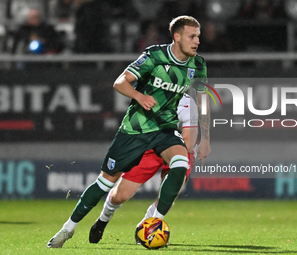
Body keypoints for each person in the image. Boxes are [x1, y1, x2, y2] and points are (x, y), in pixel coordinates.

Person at [46, 15, 210, 248]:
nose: (197, 41)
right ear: (177, 37)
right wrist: (139, 96)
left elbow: (203, 98)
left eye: (198, 37)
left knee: (181, 163)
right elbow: (120, 82)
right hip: (135, 129)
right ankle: (67, 229)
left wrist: (205, 137)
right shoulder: (155, 55)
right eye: (192, 36)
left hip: (164, 128)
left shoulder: (198, 64)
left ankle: (155, 223)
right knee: (106, 185)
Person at [88, 93, 199, 243]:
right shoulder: (150, 95)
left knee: (169, 194)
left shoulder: (187, 104)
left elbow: (188, 141)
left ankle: (146, 228)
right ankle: (103, 219)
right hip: (151, 148)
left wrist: (176, 158)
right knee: (120, 195)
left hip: (179, 149)